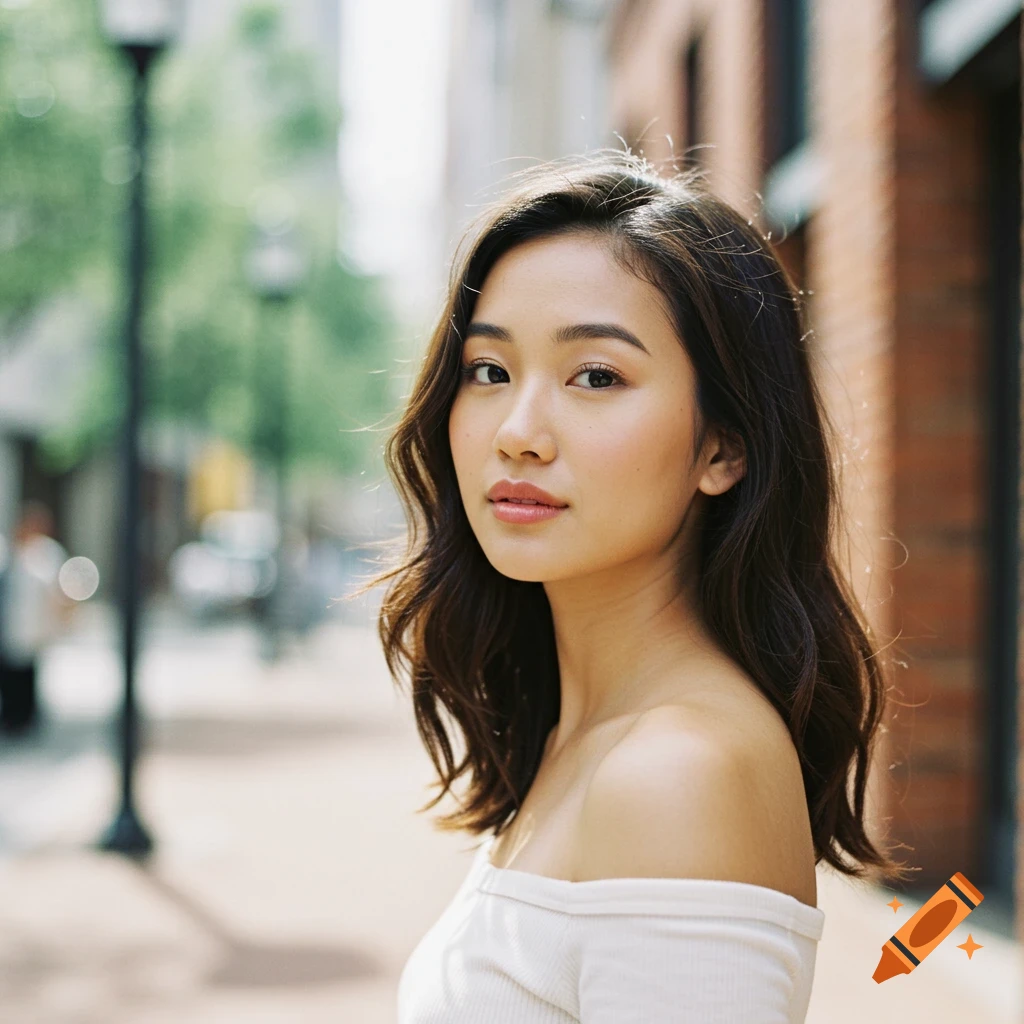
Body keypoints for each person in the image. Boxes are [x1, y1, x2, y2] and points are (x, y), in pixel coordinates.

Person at [351, 150, 911, 1022]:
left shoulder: (680, 770)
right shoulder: (592, 732)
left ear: (723, 447)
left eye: (596, 377)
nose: (519, 432)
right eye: (490, 372)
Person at [0, 501, 70, 736]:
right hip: (11, 623)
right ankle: (12, 715)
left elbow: (58, 591)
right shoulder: (14, 550)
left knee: (26, 674)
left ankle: (25, 719)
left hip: (33, 626)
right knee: (10, 675)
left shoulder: (47, 553)